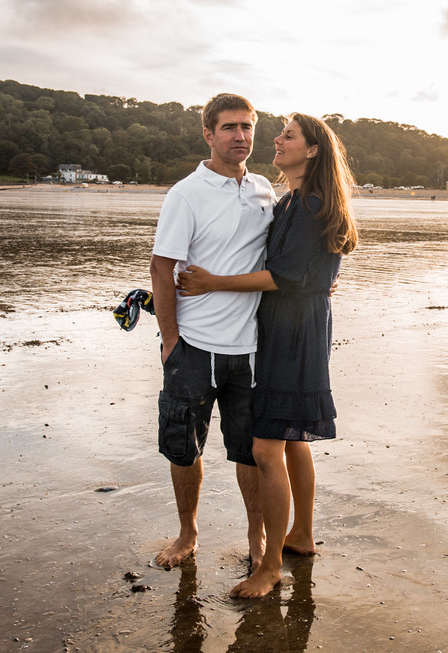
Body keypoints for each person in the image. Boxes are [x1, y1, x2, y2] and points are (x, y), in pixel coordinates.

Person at [177, 113, 358, 598]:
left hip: (292, 331)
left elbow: (282, 275)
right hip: (292, 324)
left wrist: (213, 282)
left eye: (288, 135)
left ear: (313, 150)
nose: (275, 140)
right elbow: (302, 267)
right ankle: (302, 534)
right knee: (293, 437)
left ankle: (270, 566)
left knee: (265, 447)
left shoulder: (312, 203)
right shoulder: (293, 200)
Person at [149, 93, 277, 570]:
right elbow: (162, 269)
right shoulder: (186, 193)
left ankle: (257, 539)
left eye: (247, 126)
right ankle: (188, 533)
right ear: (208, 134)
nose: (240, 136)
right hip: (195, 347)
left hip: (251, 349)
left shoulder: (265, 189)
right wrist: (170, 341)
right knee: (184, 448)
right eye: (229, 127)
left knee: (251, 452)